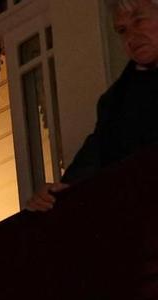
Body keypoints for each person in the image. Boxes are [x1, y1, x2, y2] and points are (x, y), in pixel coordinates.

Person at [29, 0, 158, 209]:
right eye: (122, 30)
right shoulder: (115, 102)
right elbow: (93, 159)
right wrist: (54, 195)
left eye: (139, 20)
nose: (131, 37)